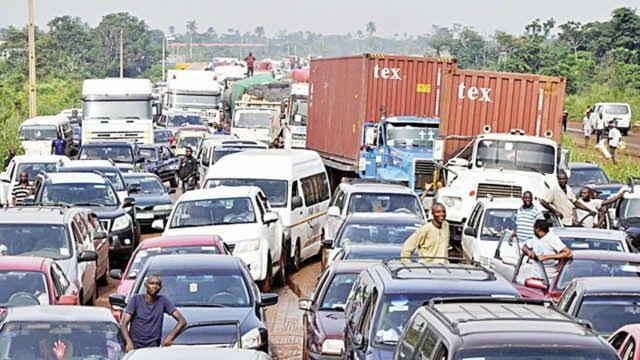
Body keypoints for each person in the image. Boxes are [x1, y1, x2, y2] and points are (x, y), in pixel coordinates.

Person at [120, 275, 186, 351]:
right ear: (146, 285)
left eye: (158, 284)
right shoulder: (135, 300)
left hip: (153, 348)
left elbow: (182, 321)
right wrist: (128, 342)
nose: (155, 286)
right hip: (135, 347)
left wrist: (170, 337)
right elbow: (123, 324)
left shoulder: (163, 301)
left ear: (160, 287)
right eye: (152, 283)